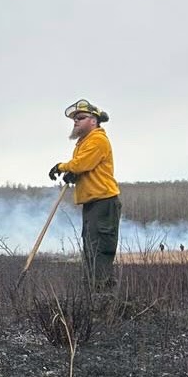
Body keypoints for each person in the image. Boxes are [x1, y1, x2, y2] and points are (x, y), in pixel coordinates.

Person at [48, 98, 121, 288]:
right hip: (92, 203)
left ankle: (103, 299)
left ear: (93, 121)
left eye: (80, 117)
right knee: (90, 250)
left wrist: (62, 167)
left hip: (104, 202)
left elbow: (82, 163)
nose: (76, 121)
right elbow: (84, 166)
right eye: (74, 119)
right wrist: (74, 175)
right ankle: (93, 296)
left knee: (100, 251)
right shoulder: (84, 142)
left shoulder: (98, 139)